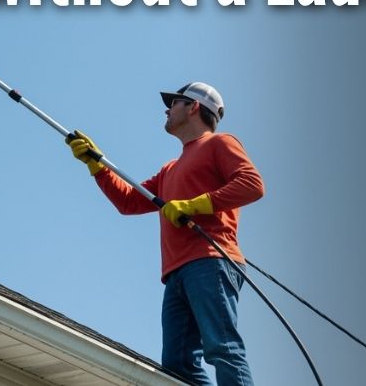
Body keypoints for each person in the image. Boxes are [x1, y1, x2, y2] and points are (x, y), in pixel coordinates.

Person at [67, 82, 264, 386]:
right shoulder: (170, 169)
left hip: (210, 261)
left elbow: (252, 184)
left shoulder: (220, 143)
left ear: (194, 107)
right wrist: (97, 166)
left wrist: (195, 205)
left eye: (173, 103)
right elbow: (130, 201)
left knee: (222, 347)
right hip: (176, 273)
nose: (166, 110)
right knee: (178, 364)